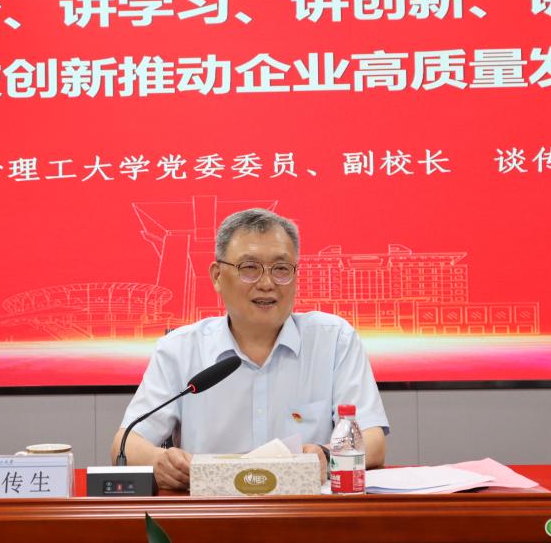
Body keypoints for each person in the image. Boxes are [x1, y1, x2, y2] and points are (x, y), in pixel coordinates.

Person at [111, 208, 388, 490]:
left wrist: (326, 455)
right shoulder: (180, 349)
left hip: (305, 509)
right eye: (250, 268)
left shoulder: (334, 339)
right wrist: (160, 461)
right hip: (211, 509)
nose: (267, 284)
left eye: (281, 269)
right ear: (217, 276)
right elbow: (126, 444)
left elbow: (373, 441)